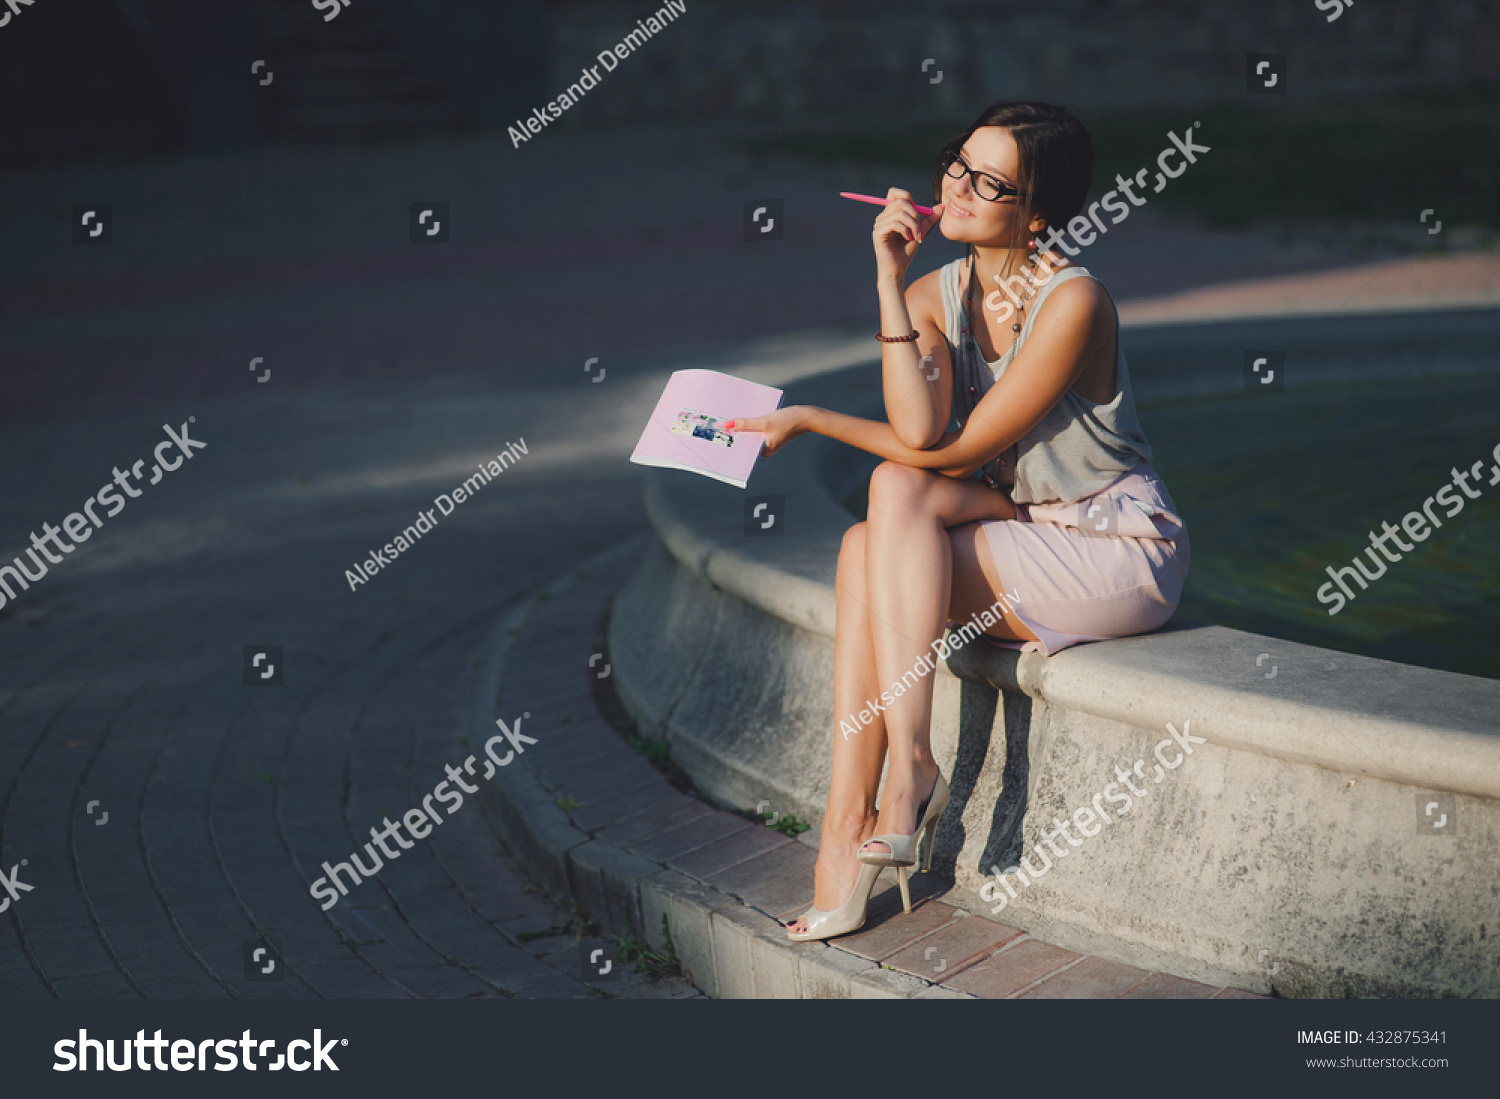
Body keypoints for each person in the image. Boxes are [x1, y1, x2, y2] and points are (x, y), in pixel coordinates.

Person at [726, 101, 1190, 941]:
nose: (956, 188)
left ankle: (869, 812)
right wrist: (886, 283)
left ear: (1037, 212)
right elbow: (915, 436)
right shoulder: (934, 291)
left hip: (1112, 544)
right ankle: (889, 784)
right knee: (884, 508)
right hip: (1021, 521)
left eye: (989, 180)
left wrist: (811, 419)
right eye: (956, 164)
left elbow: (962, 447)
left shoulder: (1072, 300)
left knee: (871, 547)